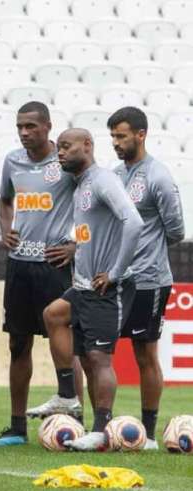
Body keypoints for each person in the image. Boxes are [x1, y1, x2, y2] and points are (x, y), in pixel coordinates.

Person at [41, 128, 143, 451]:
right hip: (83, 286)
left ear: (87, 146)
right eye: (58, 148)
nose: (60, 153)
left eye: (67, 147)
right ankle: (68, 395)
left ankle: (101, 429)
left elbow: (134, 222)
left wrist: (114, 272)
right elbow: (91, 231)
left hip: (106, 288)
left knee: (99, 358)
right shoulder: (81, 184)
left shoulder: (103, 180)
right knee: (55, 316)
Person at [0, 102, 80, 447]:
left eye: (31, 126)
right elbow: (4, 201)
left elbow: (93, 207)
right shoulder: (12, 160)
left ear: (48, 127)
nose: (24, 132)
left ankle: (75, 417)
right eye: (20, 126)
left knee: (67, 343)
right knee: (17, 343)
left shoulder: (66, 163)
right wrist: (5, 229)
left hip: (55, 263)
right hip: (20, 265)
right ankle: (16, 428)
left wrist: (75, 246)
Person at [108, 107, 185, 449]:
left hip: (149, 279)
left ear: (141, 134)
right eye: (112, 136)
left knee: (144, 354)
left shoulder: (159, 177)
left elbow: (176, 231)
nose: (116, 142)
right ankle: (101, 425)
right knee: (98, 350)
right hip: (115, 278)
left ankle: (150, 433)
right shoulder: (114, 175)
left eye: (121, 136)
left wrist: (145, 251)